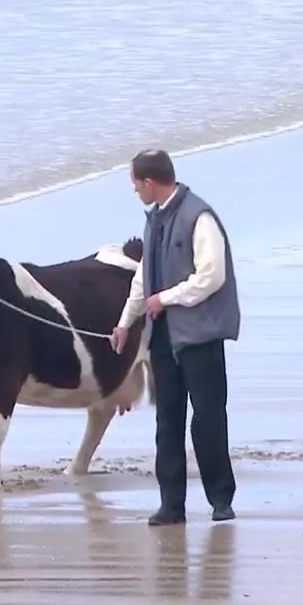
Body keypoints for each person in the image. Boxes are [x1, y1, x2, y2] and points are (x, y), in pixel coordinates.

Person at [110, 149, 241, 526]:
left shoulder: (199, 217)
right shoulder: (154, 220)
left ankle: (221, 499)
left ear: (150, 182)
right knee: (167, 421)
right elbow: (142, 279)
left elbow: (211, 277)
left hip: (200, 337)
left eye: (136, 184)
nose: (135, 190)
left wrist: (164, 298)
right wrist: (124, 323)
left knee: (208, 419)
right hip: (164, 338)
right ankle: (172, 505)